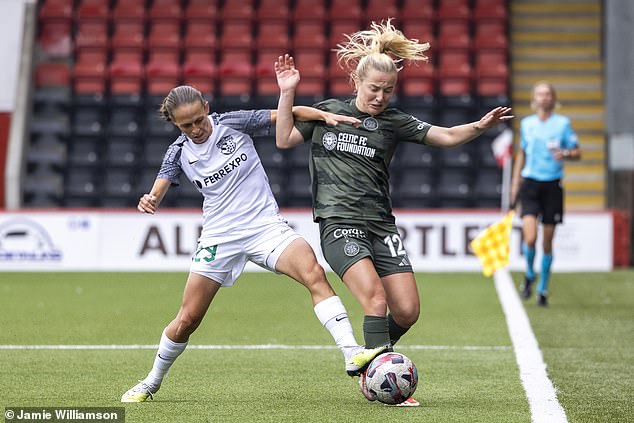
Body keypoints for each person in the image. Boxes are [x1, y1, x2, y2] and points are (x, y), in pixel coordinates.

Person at [274, 19, 513, 406]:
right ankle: (381, 380)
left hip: (381, 224)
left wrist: (480, 126)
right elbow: (283, 139)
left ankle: (375, 357)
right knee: (375, 300)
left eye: (388, 91)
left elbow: (447, 136)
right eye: (374, 89)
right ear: (356, 81)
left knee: (407, 310)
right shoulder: (327, 113)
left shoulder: (395, 121)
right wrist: (288, 93)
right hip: (340, 223)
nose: (380, 97)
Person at [120, 85, 386, 403]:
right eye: (185, 125)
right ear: (177, 125)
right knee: (188, 319)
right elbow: (162, 183)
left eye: (197, 119)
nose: (195, 129)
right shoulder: (179, 151)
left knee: (314, 273)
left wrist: (324, 115)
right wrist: (151, 199)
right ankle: (151, 381)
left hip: (265, 227)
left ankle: (350, 351)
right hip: (220, 236)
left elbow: (289, 114)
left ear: (206, 107)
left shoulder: (233, 123)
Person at [511, 81, 581, 307]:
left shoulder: (563, 124)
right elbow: (521, 154)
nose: (544, 97)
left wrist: (567, 154)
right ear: (534, 98)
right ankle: (530, 274)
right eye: (540, 94)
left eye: (547, 94)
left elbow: (577, 152)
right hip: (530, 183)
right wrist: (515, 182)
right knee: (530, 237)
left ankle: (543, 289)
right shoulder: (528, 124)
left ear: (553, 98)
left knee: (548, 241)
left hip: (552, 185)